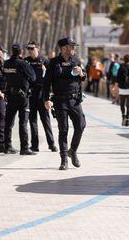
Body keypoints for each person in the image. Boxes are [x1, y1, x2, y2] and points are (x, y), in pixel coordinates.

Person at [43, 38, 86, 170]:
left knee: (81, 125)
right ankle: (63, 160)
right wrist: (46, 99)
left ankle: (72, 150)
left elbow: (83, 78)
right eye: (71, 47)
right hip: (60, 100)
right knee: (63, 129)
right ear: (63, 48)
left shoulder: (76, 60)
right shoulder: (54, 62)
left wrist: (81, 73)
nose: (73, 49)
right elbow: (46, 82)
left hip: (75, 100)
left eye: (73, 47)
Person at [3, 44, 37, 155]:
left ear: (12, 51)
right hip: (22, 97)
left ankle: (7, 146)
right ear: (21, 52)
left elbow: (4, 78)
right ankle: (24, 148)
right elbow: (33, 77)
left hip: (10, 96)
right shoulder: (23, 63)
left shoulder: (6, 63)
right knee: (23, 123)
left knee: (8, 122)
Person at [25, 41, 57, 152]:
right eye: (28, 49)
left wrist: (50, 96)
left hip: (42, 94)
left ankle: (51, 143)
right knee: (32, 121)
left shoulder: (45, 61)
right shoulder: (26, 61)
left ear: (38, 48)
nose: (30, 51)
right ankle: (34, 145)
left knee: (46, 120)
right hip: (31, 94)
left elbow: (52, 79)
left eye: (32, 48)